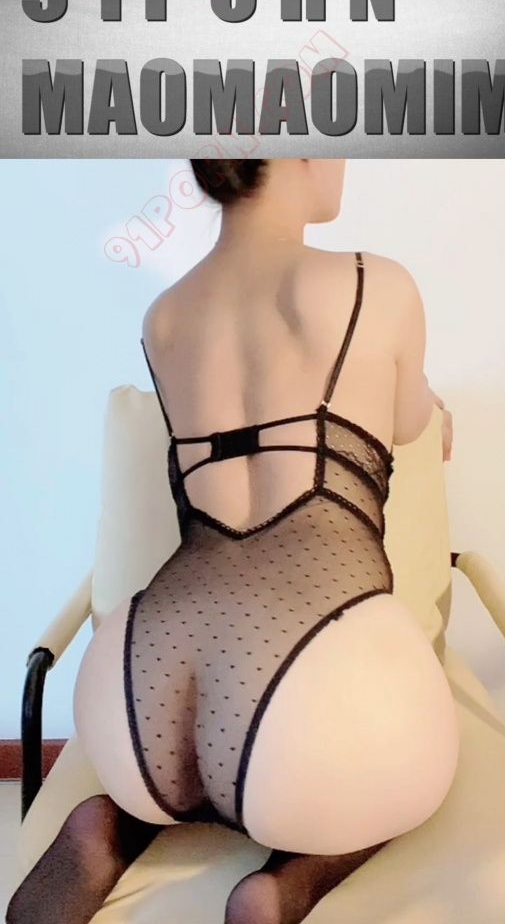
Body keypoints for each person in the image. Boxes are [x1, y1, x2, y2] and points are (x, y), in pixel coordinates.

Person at [8, 159, 457, 924]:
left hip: (135, 682)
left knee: (188, 774)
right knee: (417, 764)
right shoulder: (373, 284)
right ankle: (287, 883)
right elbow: (413, 422)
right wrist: (433, 408)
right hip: (310, 665)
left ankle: (114, 825)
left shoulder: (164, 316)